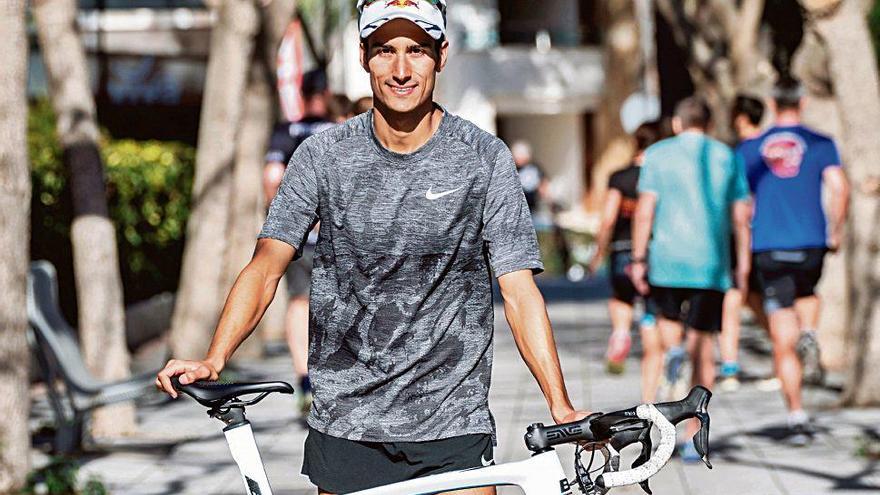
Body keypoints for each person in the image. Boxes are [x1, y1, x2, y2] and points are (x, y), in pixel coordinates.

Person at [156, 1, 588, 494]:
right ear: (363, 57)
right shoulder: (322, 156)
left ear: (441, 55)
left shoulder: (483, 158)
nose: (401, 69)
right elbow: (265, 267)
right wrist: (214, 358)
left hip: (452, 421)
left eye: (417, 51)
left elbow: (518, 291)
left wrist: (560, 404)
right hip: (347, 422)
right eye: (385, 50)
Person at [630, 97, 751, 461]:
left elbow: (645, 211)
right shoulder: (727, 156)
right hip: (710, 264)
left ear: (678, 124)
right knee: (705, 346)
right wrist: (742, 263)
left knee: (669, 326)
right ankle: (693, 436)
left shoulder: (658, 154)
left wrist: (638, 258)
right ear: (710, 124)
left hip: (667, 261)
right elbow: (741, 215)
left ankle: (674, 349)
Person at [737, 79, 850, 446]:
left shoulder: (751, 148)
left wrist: (742, 251)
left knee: (781, 336)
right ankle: (811, 332)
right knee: (809, 292)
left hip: (769, 245)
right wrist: (836, 230)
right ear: (802, 101)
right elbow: (840, 186)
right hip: (811, 243)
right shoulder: (821, 143)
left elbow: (741, 204)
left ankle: (796, 414)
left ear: (771, 102)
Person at [263, 68, 337, 414]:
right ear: (326, 94)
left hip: (298, 239)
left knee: (298, 303)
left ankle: (304, 378)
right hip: (334, 237)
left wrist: (281, 219)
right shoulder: (337, 131)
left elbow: (272, 175)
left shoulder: (286, 131)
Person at [588, 122, 663, 395]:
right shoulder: (661, 176)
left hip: (621, 250)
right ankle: (654, 356)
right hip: (653, 252)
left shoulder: (620, 177)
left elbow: (608, 218)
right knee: (652, 309)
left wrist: (598, 251)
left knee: (621, 296)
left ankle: (620, 332)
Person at [719, 94, 768, 391]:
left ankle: (730, 367)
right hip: (773, 236)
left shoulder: (738, 155)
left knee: (734, 298)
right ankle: (786, 354)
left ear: (739, 118)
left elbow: (737, 203)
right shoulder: (774, 148)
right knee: (761, 302)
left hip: (744, 235)